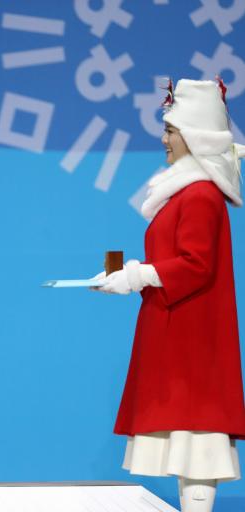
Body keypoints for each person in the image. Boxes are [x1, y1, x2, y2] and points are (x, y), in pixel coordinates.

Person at [94, 78, 245, 512]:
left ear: (195, 134)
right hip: (180, 329)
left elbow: (197, 265)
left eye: (171, 131)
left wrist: (138, 275)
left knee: (198, 441)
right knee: (189, 442)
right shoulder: (190, 192)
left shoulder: (200, 194)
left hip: (191, 337)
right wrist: (133, 274)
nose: (164, 140)